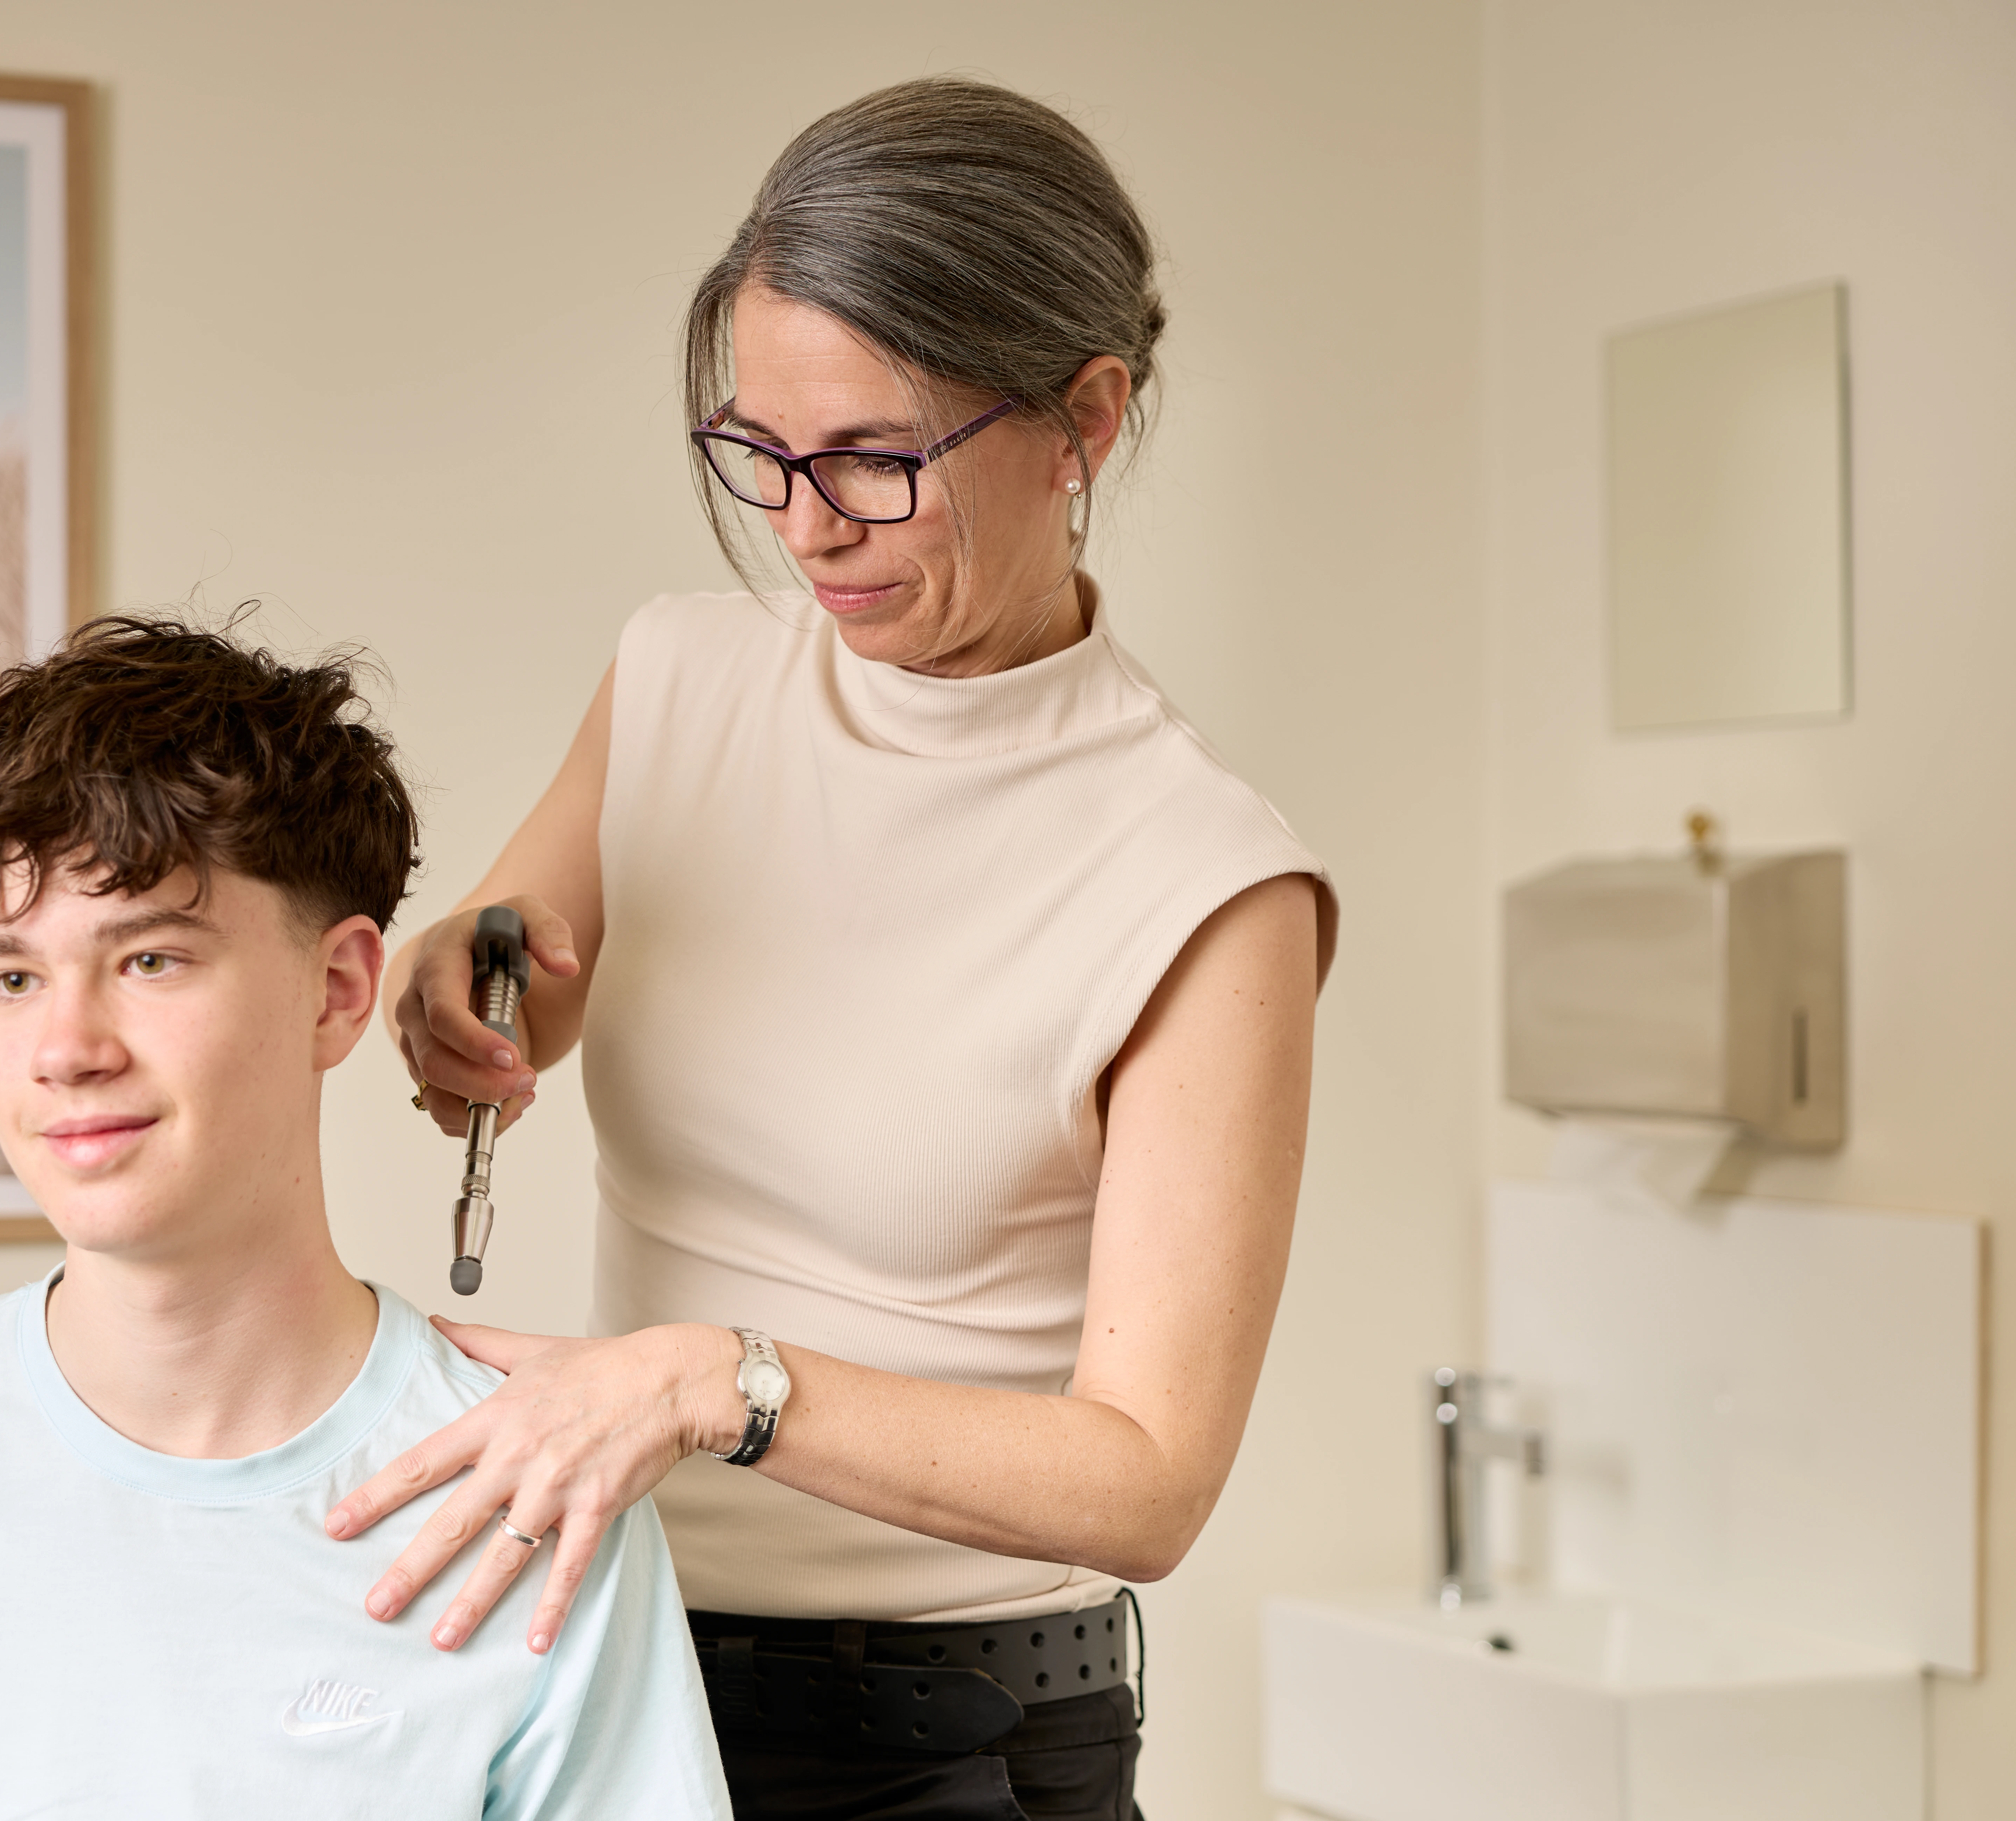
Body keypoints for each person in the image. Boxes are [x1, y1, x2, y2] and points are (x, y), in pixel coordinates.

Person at [323, 78, 1337, 1820]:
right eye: (755, 454)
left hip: (944, 1738)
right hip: (615, 1668)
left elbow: (1146, 1483)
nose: (803, 526)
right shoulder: (679, 679)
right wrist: (462, 991)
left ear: (1081, 417)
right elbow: (516, 970)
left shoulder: (1205, 882)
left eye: (874, 457)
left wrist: (726, 1381)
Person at [0, 618, 731, 1821]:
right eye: (13, 977)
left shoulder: (532, 1486)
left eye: (151, 961)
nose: (65, 1051)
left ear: (335, 993)